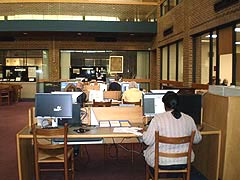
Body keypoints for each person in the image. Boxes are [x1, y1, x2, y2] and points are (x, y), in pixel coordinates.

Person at [142, 91, 202, 175]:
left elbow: (147, 141)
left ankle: (154, 176)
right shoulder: (189, 119)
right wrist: (197, 130)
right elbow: (197, 140)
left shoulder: (157, 119)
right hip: (184, 161)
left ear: (164, 105)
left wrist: (145, 131)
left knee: (147, 153)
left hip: (161, 161)